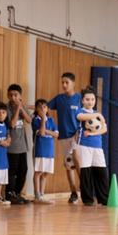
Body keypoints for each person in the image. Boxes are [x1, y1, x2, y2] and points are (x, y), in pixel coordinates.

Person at [48, 72, 83, 204]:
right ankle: (73, 192)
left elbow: (86, 116)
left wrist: (81, 131)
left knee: (77, 161)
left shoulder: (80, 98)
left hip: (76, 135)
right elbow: (44, 107)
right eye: (62, 82)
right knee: (69, 165)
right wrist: (24, 106)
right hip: (63, 137)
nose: (64, 85)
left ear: (73, 83)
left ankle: (84, 188)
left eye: (66, 82)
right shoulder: (59, 99)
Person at [75, 87, 109, 206]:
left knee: (101, 171)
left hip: (98, 146)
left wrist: (93, 133)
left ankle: (104, 199)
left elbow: (104, 129)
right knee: (86, 172)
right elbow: (81, 118)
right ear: (83, 100)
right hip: (84, 145)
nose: (90, 102)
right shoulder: (80, 111)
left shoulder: (97, 115)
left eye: (93, 99)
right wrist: (98, 114)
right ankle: (88, 199)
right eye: (87, 99)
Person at [5, 84, 33, 204]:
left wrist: (21, 108)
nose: (13, 97)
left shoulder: (22, 106)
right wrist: (17, 109)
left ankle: (17, 193)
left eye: (15, 95)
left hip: (22, 145)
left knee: (23, 170)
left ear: (20, 95)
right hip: (12, 146)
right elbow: (12, 124)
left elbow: (29, 120)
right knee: (13, 171)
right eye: (11, 95)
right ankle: (10, 194)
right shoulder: (7, 108)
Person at [31, 99, 58, 204]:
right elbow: (42, 133)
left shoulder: (51, 120)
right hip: (40, 149)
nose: (42, 109)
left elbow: (56, 134)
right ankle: (37, 195)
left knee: (45, 173)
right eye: (40, 107)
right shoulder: (35, 120)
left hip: (49, 150)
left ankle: (42, 194)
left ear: (47, 109)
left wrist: (47, 131)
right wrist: (43, 119)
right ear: (36, 109)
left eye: (45, 107)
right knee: (38, 172)